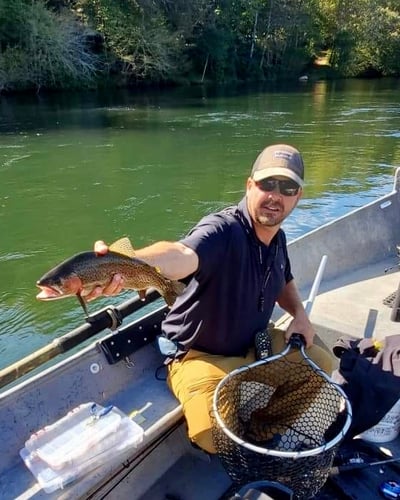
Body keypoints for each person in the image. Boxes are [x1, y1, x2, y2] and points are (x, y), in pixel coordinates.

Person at [86, 144, 333, 454]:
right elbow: (182, 254)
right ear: (249, 185)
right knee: (212, 435)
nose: (275, 195)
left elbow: (283, 279)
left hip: (254, 343)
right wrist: (126, 263)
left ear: (297, 197)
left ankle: (262, 430)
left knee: (322, 365)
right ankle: (233, 437)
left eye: (287, 187)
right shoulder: (221, 229)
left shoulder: (277, 237)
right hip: (200, 355)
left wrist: (299, 313)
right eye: (267, 184)